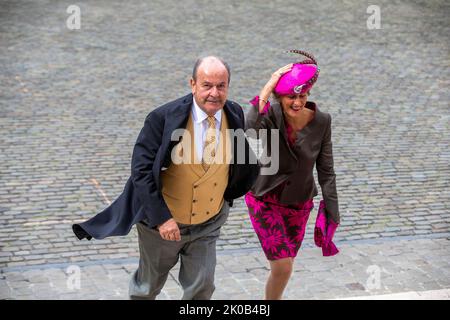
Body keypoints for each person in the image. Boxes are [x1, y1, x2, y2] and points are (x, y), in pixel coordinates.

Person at [72, 56, 259, 300]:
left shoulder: (233, 112)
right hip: (163, 227)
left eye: (221, 85)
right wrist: (162, 219)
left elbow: (242, 157)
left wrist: (227, 198)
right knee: (147, 288)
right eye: (207, 85)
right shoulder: (162, 118)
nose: (214, 93)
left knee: (202, 288)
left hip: (209, 222)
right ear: (193, 84)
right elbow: (140, 171)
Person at [244, 50, 340, 300]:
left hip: (299, 205)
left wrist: (332, 211)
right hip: (264, 200)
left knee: (283, 268)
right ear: (279, 96)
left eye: (303, 95)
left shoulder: (322, 122)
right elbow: (249, 127)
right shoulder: (271, 115)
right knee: (283, 266)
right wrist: (267, 86)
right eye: (290, 96)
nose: (297, 102)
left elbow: (326, 171)